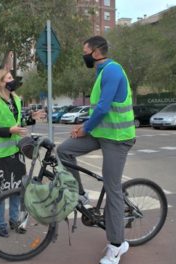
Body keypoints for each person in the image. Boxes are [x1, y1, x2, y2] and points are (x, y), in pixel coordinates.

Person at [56, 36, 135, 264]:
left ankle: (117, 246)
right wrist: (84, 127)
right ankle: (80, 194)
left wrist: (85, 129)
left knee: (112, 190)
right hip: (102, 134)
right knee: (64, 150)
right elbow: (98, 111)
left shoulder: (112, 71)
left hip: (118, 139)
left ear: (96, 52)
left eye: (85, 52)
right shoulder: (100, 71)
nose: (84, 56)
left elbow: (103, 107)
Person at [0, 69, 45, 237]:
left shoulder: (16, 99)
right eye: (9, 78)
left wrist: (32, 117)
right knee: (0, 193)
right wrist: (10, 130)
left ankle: (14, 220)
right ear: (0, 82)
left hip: (16, 152)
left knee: (18, 189)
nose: (13, 80)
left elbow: (19, 122)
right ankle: (0, 224)